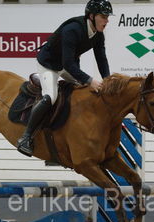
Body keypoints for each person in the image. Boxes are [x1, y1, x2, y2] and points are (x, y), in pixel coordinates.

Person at [17, 0, 114, 157]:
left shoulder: (98, 34)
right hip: (49, 64)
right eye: (103, 16)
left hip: (66, 65)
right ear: (91, 16)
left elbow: (101, 59)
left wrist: (108, 80)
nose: (107, 21)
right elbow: (67, 64)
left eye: (107, 17)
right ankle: (25, 137)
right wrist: (90, 80)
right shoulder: (73, 29)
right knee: (51, 97)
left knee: (82, 91)